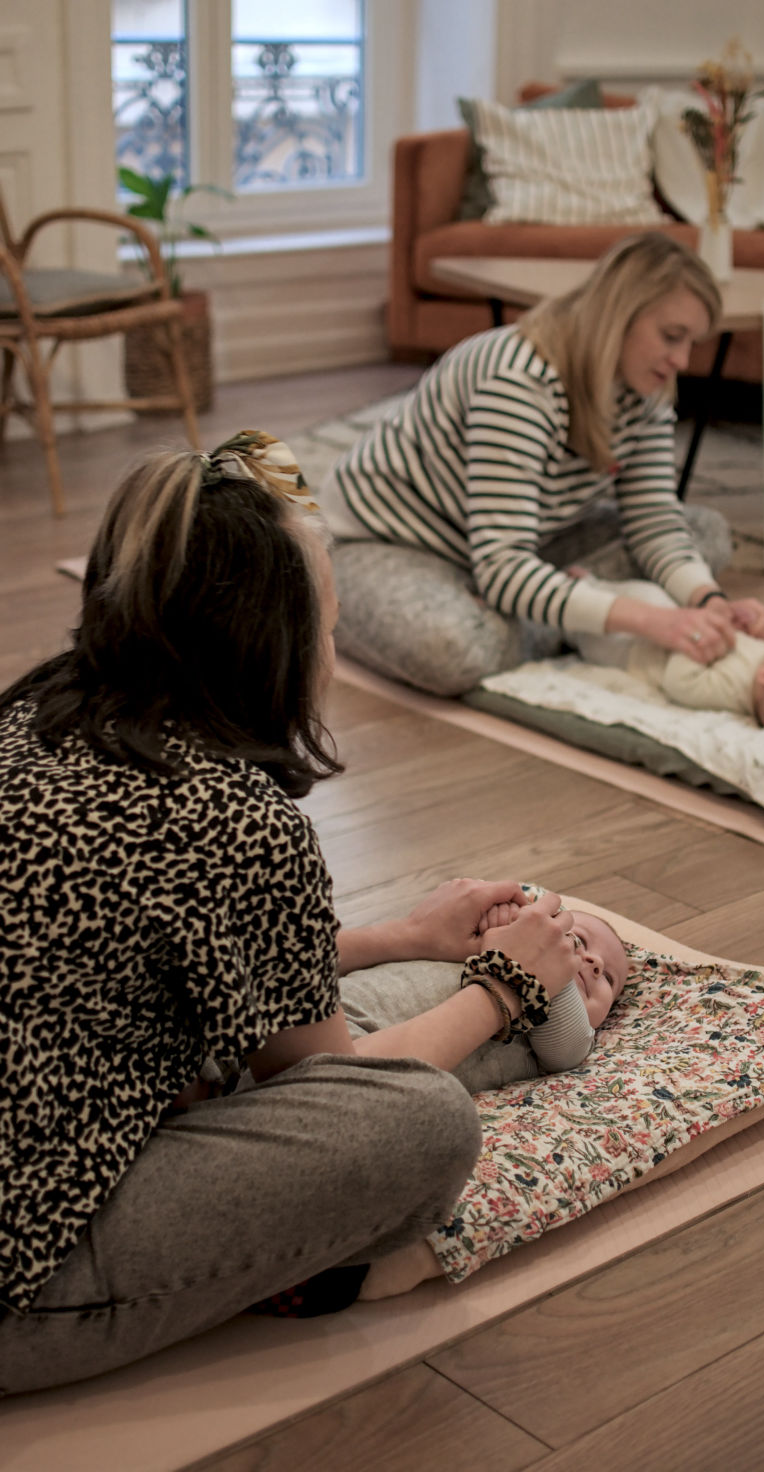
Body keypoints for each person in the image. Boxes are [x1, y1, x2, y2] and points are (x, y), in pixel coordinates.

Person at [0, 433, 582, 1395]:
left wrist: (400, 937)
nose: (335, 644)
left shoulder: (38, 706)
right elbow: (325, 1085)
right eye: (330, 620)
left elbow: (168, 942)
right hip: (28, 1275)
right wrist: (508, 987)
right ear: (272, 638)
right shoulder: (233, 814)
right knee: (423, 1126)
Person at [321, 231, 764, 697]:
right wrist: (653, 620)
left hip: (512, 544)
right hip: (389, 544)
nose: (682, 360)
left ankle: (545, 608)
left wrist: (711, 602)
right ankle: (556, 613)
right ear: (618, 316)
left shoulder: (647, 387)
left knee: (706, 535)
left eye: (692, 343)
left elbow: (654, 521)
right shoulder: (521, 381)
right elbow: (502, 565)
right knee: (453, 648)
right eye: (671, 337)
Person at [335, 906, 630, 1096]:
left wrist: (551, 959)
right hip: (336, 1003)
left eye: (609, 980)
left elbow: (569, 1039)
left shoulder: (566, 1045)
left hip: (367, 1057)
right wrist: (500, 924)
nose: (596, 964)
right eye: (577, 940)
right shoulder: (486, 956)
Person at [572, 577, 764, 733]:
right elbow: (737, 634)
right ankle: (591, 585)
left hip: (632, 652)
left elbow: (680, 683)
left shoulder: (729, 691)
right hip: (657, 626)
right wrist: (743, 620)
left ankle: (574, 607)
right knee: (650, 594)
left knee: (634, 607)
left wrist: (698, 642)